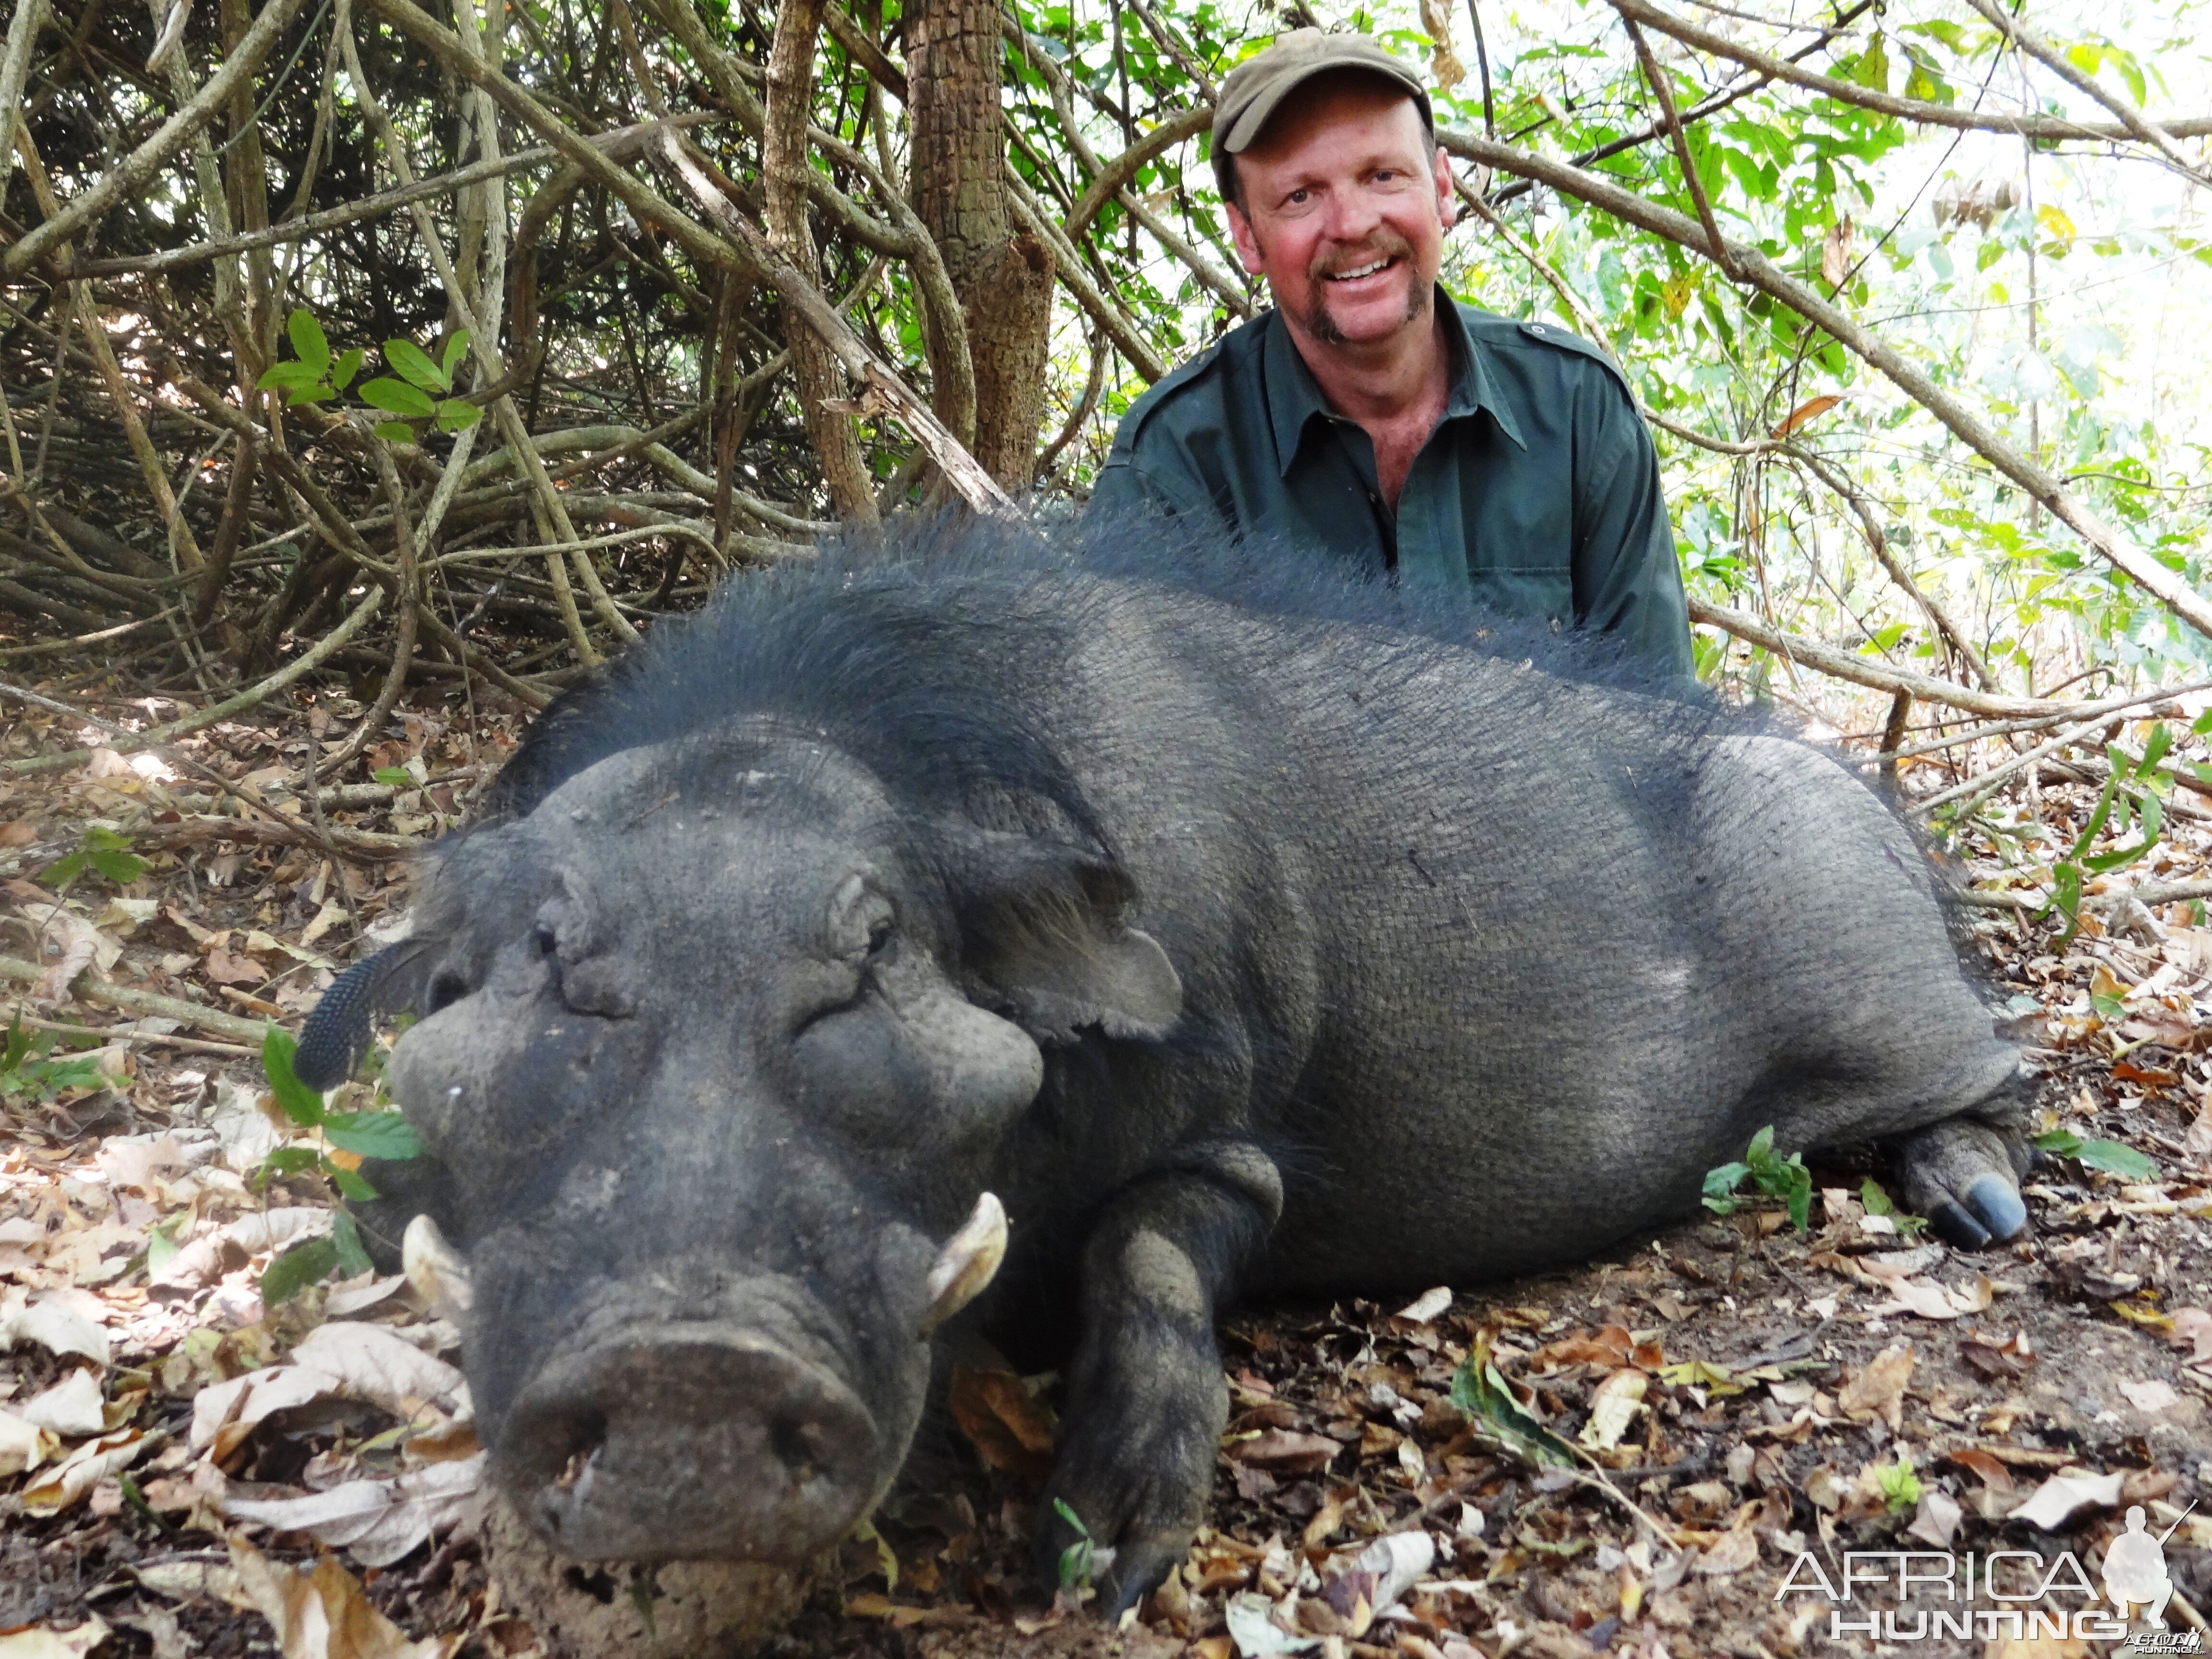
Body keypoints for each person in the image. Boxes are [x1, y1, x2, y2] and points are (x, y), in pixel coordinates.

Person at [1089, 29, 1695, 677]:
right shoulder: (1174, 468)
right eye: (1301, 196)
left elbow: (1661, 735)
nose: (1351, 224)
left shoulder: (1578, 414)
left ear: (1442, 191)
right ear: (1247, 239)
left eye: (1383, 175)